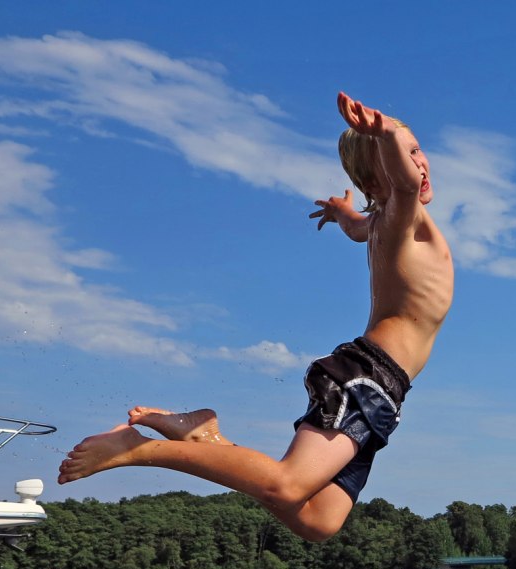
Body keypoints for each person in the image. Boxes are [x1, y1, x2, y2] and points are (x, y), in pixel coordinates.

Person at [57, 92, 453, 542]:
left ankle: (205, 438)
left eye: (418, 150)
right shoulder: (403, 215)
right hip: (368, 377)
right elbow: (401, 186)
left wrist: (343, 212)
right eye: (405, 156)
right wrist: (384, 135)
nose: (419, 164)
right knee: (286, 484)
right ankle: (138, 449)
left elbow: (356, 228)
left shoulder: (380, 222)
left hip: (387, 390)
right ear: (380, 184)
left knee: (318, 521)